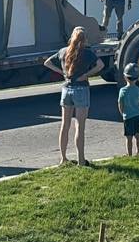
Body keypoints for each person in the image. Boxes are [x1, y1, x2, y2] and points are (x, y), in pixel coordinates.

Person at [42, 26, 104, 166]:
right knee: (79, 127)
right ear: (85, 38)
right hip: (81, 89)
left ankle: (63, 158)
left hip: (66, 89)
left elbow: (47, 62)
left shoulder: (63, 51)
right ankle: (81, 160)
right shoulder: (87, 53)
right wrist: (86, 75)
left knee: (65, 125)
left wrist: (62, 73)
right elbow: (100, 65)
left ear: (72, 37)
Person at [118, 62, 139, 156]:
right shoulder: (138, 90)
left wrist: (122, 113)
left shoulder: (123, 91)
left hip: (127, 116)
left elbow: (120, 104)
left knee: (129, 137)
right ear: (137, 78)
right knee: (137, 135)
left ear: (125, 77)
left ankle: (129, 154)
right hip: (137, 114)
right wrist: (137, 109)